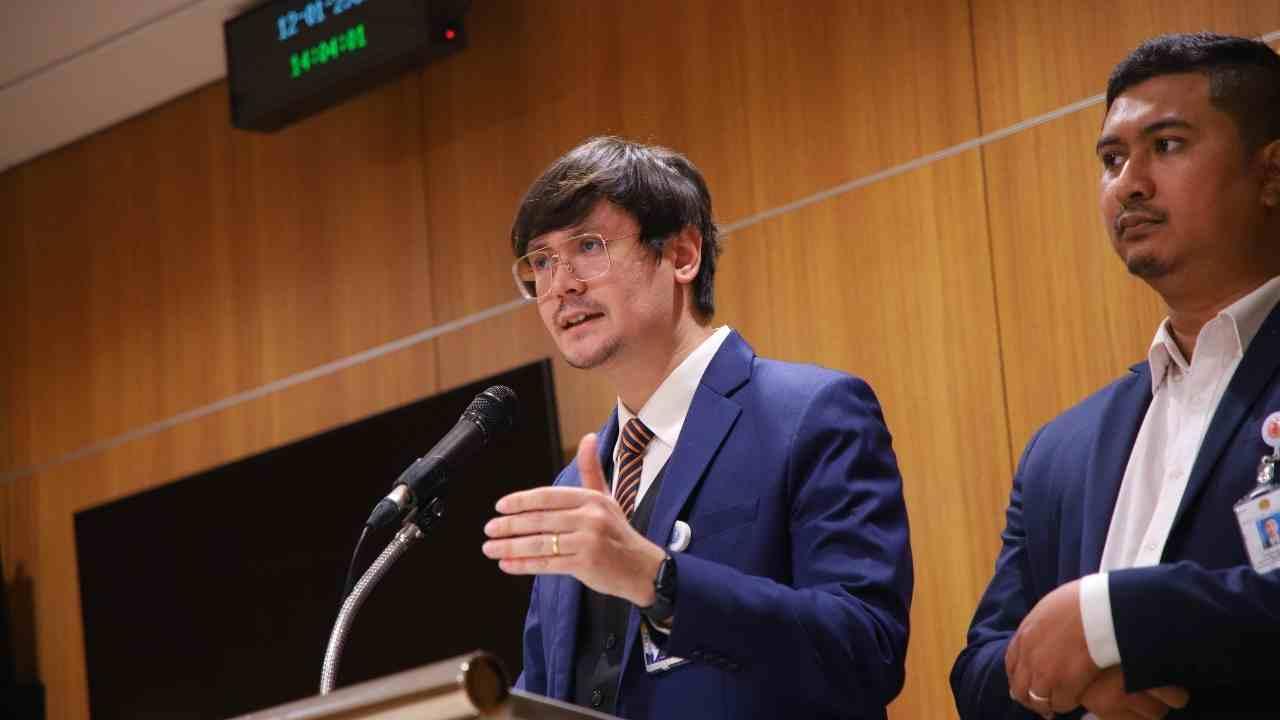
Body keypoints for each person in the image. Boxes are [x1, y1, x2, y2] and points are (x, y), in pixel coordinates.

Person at [480, 137, 912, 719]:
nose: (560, 285)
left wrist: (658, 580)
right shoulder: (575, 488)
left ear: (682, 254)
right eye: (541, 261)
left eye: (587, 246)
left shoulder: (811, 414)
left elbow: (865, 650)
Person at [952, 32, 1280, 719]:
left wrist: (1112, 621)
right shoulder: (1060, 448)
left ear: (1270, 174)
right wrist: (1075, 685)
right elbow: (978, 674)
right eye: (1111, 158)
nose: (1129, 183)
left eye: (1167, 145)